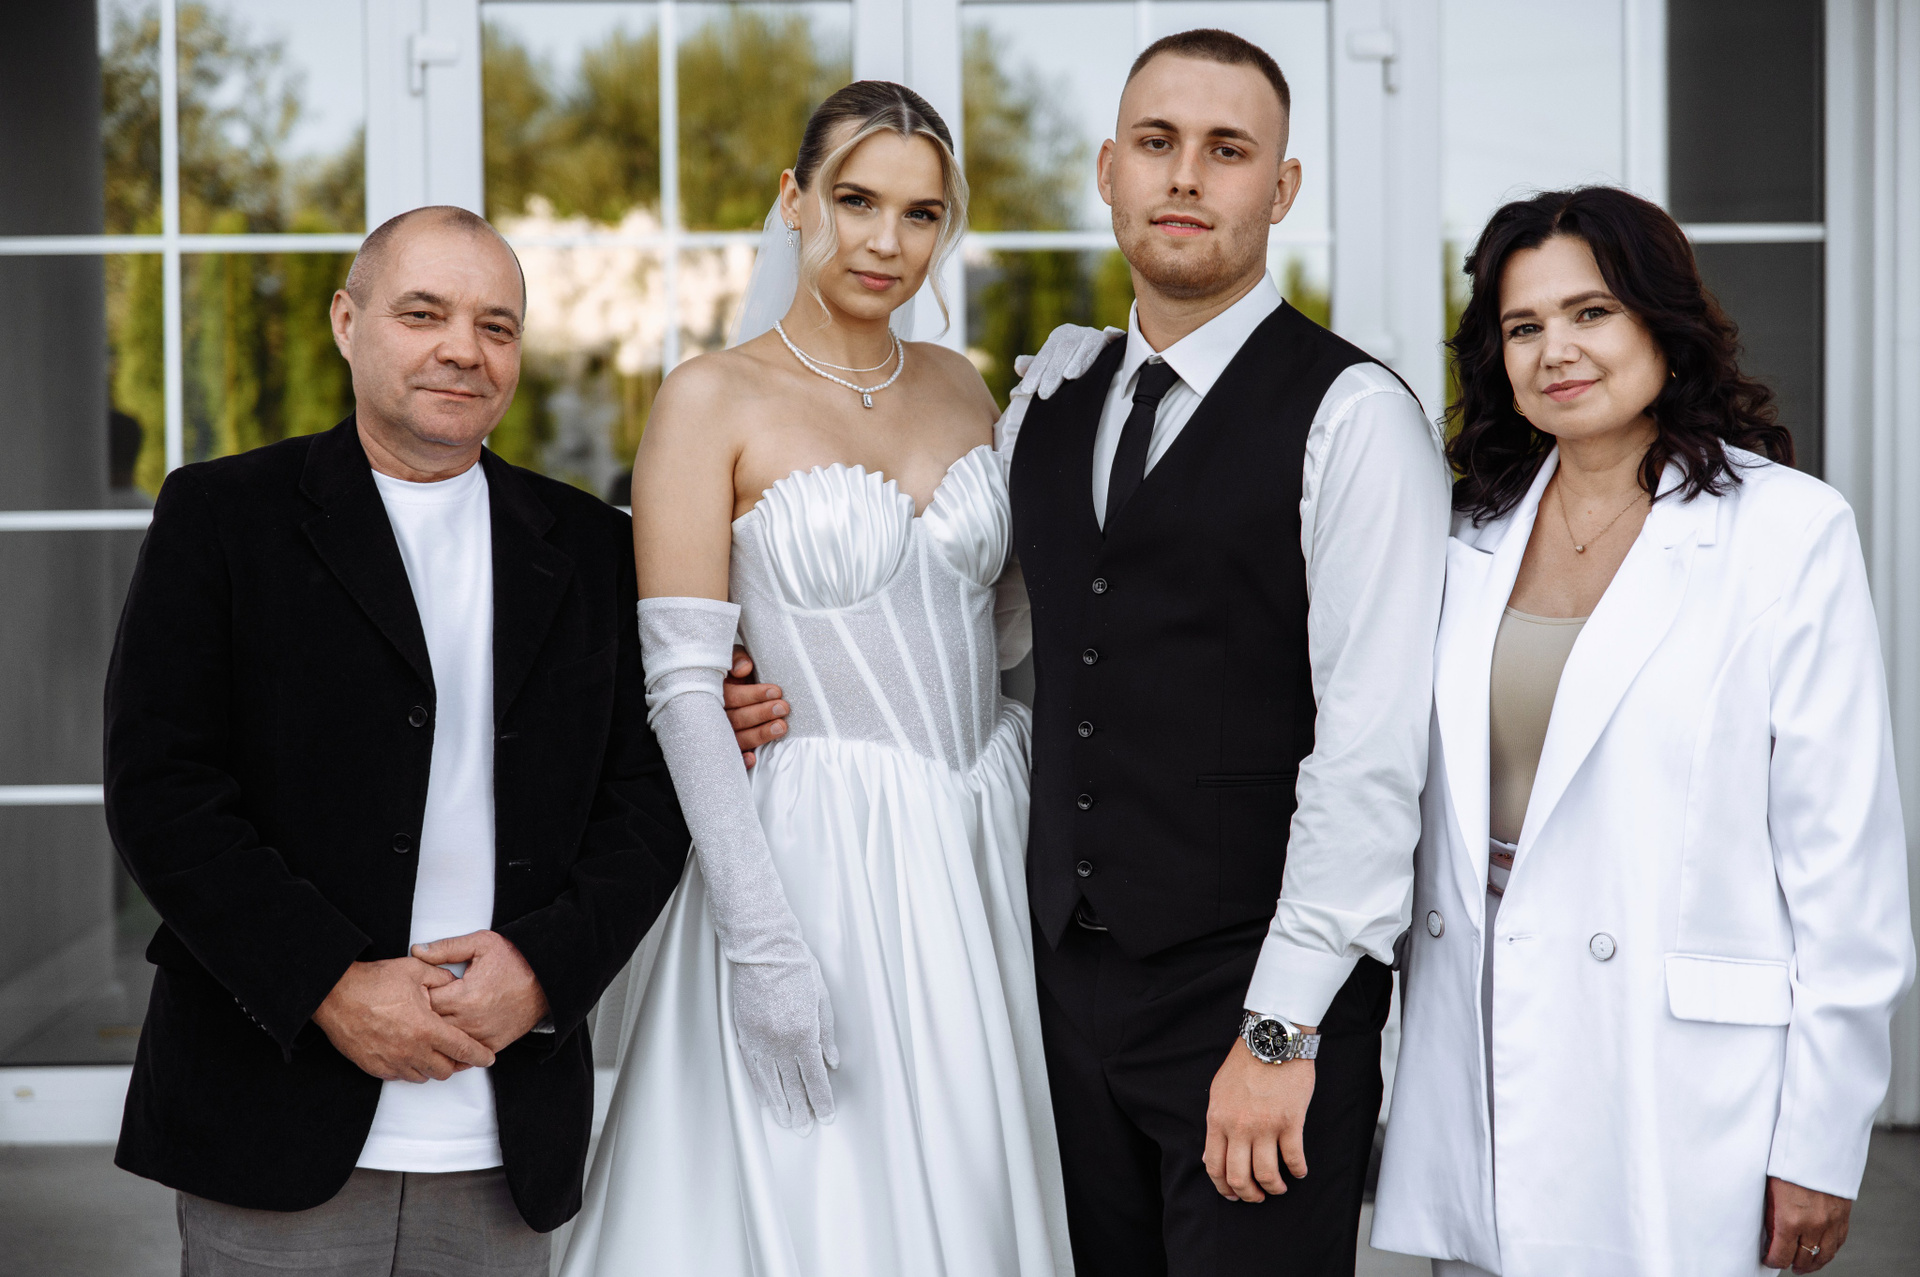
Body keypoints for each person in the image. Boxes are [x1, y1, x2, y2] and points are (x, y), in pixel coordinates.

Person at [560, 82, 1090, 1276]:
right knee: (823, 1198)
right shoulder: (710, 397)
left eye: (921, 213)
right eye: (856, 200)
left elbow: (1004, 631)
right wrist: (763, 945)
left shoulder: (963, 386)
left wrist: (1063, 418)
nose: (885, 241)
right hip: (812, 857)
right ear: (794, 200)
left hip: (976, 837)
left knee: (971, 1174)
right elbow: (683, 689)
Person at [104, 205, 691, 1275]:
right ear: (347, 321)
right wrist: (329, 982)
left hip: (504, 1132)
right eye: (424, 313)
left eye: (496, 325)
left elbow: (647, 801)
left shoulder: (594, 550)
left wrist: (544, 970)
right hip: (271, 1108)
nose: (464, 348)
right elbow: (162, 789)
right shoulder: (223, 515)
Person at [1370, 186, 1916, 1277]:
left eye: (1592, 312)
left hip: (1677, 1069)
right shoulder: (1462, 529)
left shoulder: (1787, 532)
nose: (1556, 350)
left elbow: (1843, 869)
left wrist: (1821, 1140)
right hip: (1485, 1028)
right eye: (1523, 326)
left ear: (1663, 324)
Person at [1000, 29, 1449, 1277]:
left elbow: (1370, 746)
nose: (1186, 175)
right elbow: (993, 644)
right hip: (1066, 988)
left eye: (1228, 149)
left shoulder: (1357, 419)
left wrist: (1280, 1027)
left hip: (1255, 992)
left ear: (1282, 188)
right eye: (1157, 142)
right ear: (1109, 171)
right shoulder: (1050, 401)